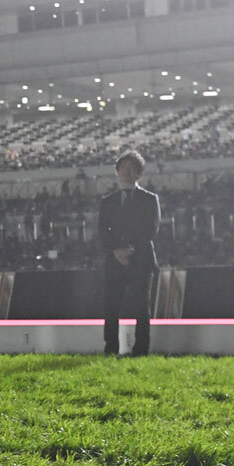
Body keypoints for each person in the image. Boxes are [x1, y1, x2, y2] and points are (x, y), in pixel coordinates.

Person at [98, 150, 161, 356]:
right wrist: (116, 251)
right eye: (123, 168)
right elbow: (102, 231)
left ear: (139, 174)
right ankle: (110, 349)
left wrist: (129, 250)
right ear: (117, 172)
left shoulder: (150, 200)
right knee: (111, 308)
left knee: (141, 308)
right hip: (114, 261)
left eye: (131, 169)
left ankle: (141, 350)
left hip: (141, 260)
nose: (126, 172)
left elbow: (151, 229)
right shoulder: (107, 202)